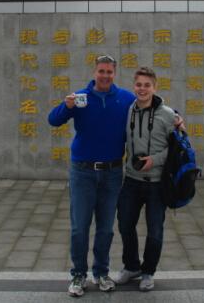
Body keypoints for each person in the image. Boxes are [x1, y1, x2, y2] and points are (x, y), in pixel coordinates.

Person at [48, 55, 134, 297]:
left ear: (114, 73)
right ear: (94, 72)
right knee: (80, 227)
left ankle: (101, 272)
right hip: (83, 172)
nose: (105, 75)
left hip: (112, 172)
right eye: (101, 71)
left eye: (109, 71)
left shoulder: (125, 98)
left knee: (106, 228)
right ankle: (78, 274)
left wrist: (175, 117)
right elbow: (53, 120)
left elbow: (150, 105)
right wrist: (67, 106)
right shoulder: (80, 97)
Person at [112, 66, 176, 292]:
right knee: (125, 224)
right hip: (131, 180)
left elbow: (178, 149)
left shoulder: (168, 115)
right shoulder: (129, 110)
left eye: (147, 85)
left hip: (157, 183)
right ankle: (131, 267)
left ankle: (148, 271)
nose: (142, 89)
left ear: (155, 87)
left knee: (155, 231)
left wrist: (155, 160)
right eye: (138, 84)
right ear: (134, 86)